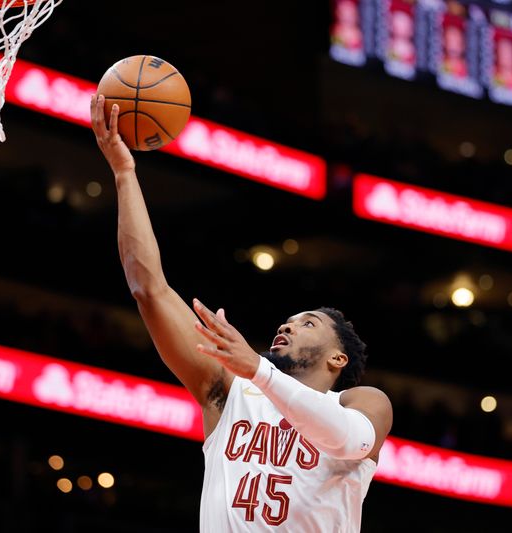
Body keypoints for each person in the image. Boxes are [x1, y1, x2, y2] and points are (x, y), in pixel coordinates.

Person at [90, 94, 393, 532]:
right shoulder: (229, 392)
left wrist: (258, 370)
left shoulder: (359, 402)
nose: (288, 324)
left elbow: (347, 438)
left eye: (309, 323)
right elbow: (148, 287)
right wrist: (124, 172)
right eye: (289, 319)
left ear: (337, 359)